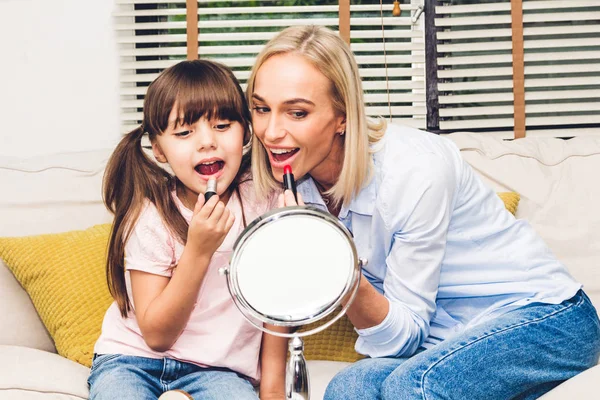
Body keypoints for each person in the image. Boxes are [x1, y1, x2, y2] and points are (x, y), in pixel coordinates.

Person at [246, 25, 600, 400]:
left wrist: (329, 254)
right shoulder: (289, 185)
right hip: (446, 341)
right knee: (349, 387)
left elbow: (407, 335)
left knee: (413, 387)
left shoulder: (415, 170)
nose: (271, 132)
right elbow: (397, 341)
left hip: (549, 319)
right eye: (261, 109)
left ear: (343, 117)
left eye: (296, 112)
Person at [88, 59, 286, 400]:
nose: (207, 142)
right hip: (133, 360)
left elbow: (277, 300)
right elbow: (157, 336)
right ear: (160, 149)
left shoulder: (262, 201)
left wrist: (272, 390)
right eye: (184, 132)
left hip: (218, 371)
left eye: (223, 126)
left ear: (246, 134)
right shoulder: (150, 216)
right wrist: (197, 250)